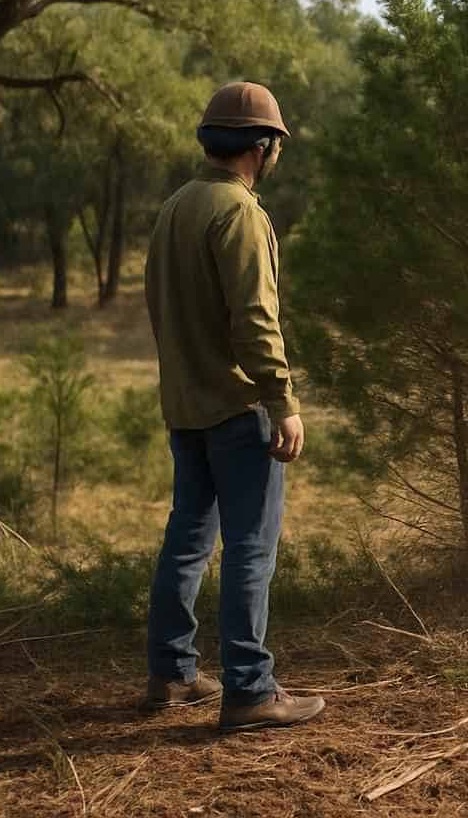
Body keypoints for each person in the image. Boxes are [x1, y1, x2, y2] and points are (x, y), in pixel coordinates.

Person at [140, 81, 324, 731]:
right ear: (262, 146)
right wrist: (283, 399)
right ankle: (248, 690)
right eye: (275, 143)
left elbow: (160, 310)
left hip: (185, 408)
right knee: (252, 547)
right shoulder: (240, 213)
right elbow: (255, 321)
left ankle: (172, 674)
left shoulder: (174, 208)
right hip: (239, 410)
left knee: (187, 540)